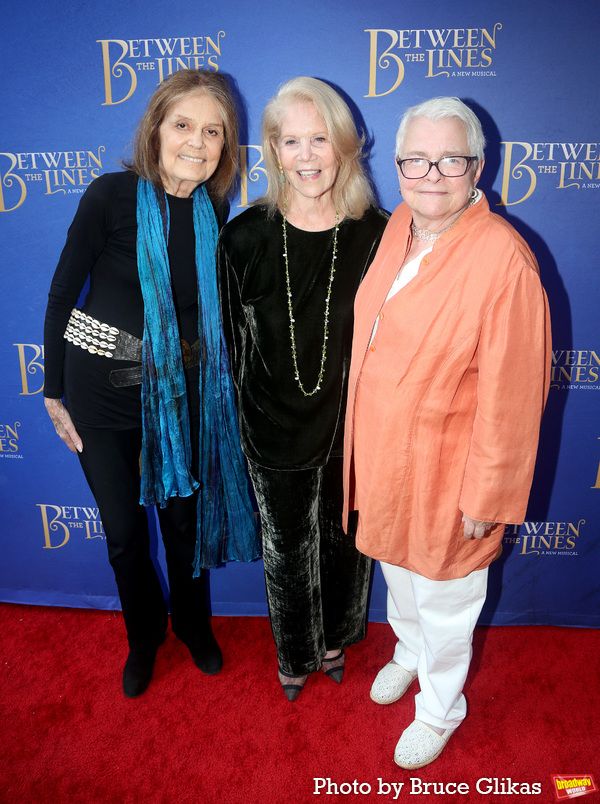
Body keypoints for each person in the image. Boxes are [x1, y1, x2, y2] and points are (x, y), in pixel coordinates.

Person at [343, 97, 551, 767]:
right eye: (416, 159)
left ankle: (440, 708)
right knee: (399, 579)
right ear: (397, 165)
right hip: (384, 458)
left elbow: (515, 395)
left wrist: (485, 497)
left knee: (448, 602)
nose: (431, 174)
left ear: (478, 168)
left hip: (448, 474)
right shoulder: (398, 223)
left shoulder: (504, 258)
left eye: (450, 159)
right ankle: (407, 654)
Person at [43, 69, 259, 699]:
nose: (197, 141)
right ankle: (143, 638)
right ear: (156, 130)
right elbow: (63, 292)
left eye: (213, 130)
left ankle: (193, 627)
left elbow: (205, 313)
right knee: (124, 539)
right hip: (101, 400)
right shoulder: (110, 195)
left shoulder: (212, 210)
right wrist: (51, 391)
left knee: (184, 530)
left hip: (182, 402)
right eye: (183, 124)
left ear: (226, 145)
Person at [219, 77, 388, 700]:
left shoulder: (378, 232)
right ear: (272, 149)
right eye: (293, 141)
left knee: (345, 537)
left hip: (354, 423)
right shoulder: (243, 237)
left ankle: (337, 638)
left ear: (344, 145)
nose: (308, 155)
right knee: (286, 547)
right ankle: (294, 653)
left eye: (320, 138)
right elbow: (230, 349)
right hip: (271, 421)